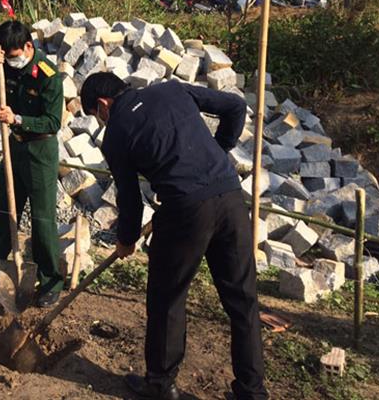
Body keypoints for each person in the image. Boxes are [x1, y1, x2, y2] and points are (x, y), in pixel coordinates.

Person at [80, 73, 267, 400]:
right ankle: (252, 392)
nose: (100, 120)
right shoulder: (172, 90)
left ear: (102, 105)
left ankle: (160, 384)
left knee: (167, 298)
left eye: (97, 115)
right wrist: (219, 151)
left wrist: (126, 239)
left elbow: (129, 196)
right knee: (243, 301)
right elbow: (236, 106)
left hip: (185, 210)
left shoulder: (116, 133)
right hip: (231, 198)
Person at [0, 20, 64, 308]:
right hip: (14, 149)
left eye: (14, 55)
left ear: (29, 47)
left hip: (40, 152)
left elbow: (53, 122)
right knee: (5, 214)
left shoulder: (47, 75)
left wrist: (17, 119)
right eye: (6, 56)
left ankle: (50, 283)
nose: (12, 60)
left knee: (43, 222)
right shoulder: (5, 66)